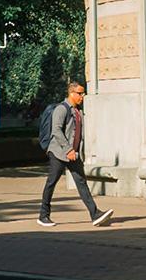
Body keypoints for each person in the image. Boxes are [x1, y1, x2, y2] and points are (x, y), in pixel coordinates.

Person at [36, 80, 112, 227]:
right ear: (71, 93)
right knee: (51, 182)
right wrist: (68, 150)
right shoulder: (62, 109)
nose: (82, 96)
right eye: (79, 93)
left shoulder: (77, 111)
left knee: (81, 183)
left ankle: (95, 214)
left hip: (73, 155)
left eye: (83, 93)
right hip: (58, 152)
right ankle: (43, 215)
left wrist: (76, 152)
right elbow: (56, 131)